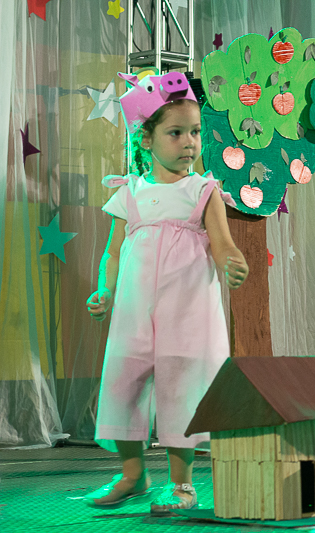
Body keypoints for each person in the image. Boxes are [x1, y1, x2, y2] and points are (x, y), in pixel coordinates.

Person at [83, 72, 249, 513]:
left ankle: (181, 484)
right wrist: (105, 289)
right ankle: (132, 474)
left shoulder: (203, 190)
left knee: (182, 388)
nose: (189, 142)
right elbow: (113, 253)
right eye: (176, 133)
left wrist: (232, 262)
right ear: (147, 139)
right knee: (123, 383)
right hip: (135, 310)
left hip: (187, 310)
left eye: (195, 132)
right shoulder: (130, 193)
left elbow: (222, 243)